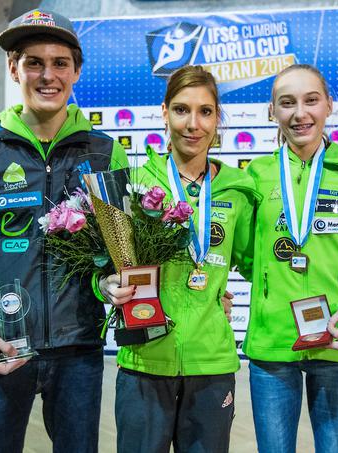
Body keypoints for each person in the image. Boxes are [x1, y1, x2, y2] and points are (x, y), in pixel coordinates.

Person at [0, 9, 128, 453]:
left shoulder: (105, 154)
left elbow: (117, 257)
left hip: (79, 349)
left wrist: (110, 285)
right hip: (1, 346)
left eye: (59, 62)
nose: (47, 75)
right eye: (33, 62)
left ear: (76, 70)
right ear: (13, 68)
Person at [101, 65, 257, 453]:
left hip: (212, 364)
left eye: (205, 111)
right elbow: (104, 268)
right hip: (144, 360)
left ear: (217, 117)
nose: (193, 124)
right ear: (164, 112)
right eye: (181, 110)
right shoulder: (134, 182)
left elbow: (258, 263)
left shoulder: (238, 188)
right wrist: (105, 285)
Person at [241, 64, 338, 453]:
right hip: (272, 346)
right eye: (286, 103)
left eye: (311, 100)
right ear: (272, 111)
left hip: (336, 342)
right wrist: (268, 291)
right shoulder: (254, 177)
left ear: (329, 105)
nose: (299, 113)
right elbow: (242, 256)